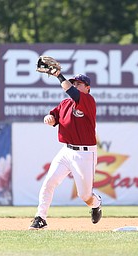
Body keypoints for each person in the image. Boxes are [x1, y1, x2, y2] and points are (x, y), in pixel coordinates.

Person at [29, 70, 102, 230]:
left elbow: (72, 92)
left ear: (87, 88)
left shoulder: (88, 101)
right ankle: (40, 218)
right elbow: (53, 117)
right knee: (49, 182)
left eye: (78, 84)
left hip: (85, 154)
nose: (75, 85)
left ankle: (96, 204)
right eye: (73, 83)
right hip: (66, 151)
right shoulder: (65, 104)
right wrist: (49, 119)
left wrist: (58, 75)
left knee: (85, 196)